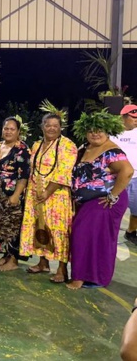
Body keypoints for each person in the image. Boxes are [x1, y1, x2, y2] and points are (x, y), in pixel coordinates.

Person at [66, 110, 133, 289]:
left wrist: (113, 195)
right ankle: (91, 276)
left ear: (108, 130)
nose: (95, 133)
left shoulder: (111, 151)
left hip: (104, 201)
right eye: (91, 130)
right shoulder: (86, 147)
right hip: (89, 202)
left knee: (86, 235)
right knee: (88, 237)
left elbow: (127, 171)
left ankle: (85, 278)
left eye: (100, 130)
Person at [20, 113, 77, 283]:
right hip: (36, 193)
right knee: (39, 225)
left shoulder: (67, 145)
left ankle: (61, 269)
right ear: (42, 127)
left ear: (60, 128)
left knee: (58, 230)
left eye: (55, 125)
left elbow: (63, 172)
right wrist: (33, 192)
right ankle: (42, 262)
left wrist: (47, 192)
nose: (51, 128)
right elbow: (34, 169)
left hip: (56, 196)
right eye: (47, 125)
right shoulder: (37, 145)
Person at [0, 117, 30, 272]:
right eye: (6, 128)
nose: (8, 131)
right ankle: (6, 255)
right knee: (0, 227)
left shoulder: (22, 149)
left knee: (12, 226)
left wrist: (16, 195)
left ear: (18, 132)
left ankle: (14, 259)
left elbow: (24, 176)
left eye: (12, 129)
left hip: (11, 194)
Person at [111, 105, 137, 243]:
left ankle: (131, 231)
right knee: (112, 207)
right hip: (115, 178)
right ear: (124, 117)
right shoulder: (112, 133)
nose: (136, 120)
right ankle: (110, 233)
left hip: (135, 177)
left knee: (136, 209)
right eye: (133, 117)